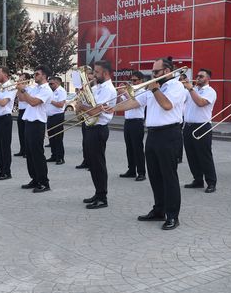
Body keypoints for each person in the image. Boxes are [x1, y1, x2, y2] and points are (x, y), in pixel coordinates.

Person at [109, 58, 186, 230]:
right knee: (155, 176)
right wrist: (111, 108)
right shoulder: (152, 87)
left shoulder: (176, 86)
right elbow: (135, 102)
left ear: (167, 71)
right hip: (152, 134)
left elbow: (166, 105)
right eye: (152, 72)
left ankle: (173, 216)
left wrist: (155, 89)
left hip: (169, 134)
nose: (153, 75)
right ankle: (159, 210)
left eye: (156, 72)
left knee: (169, 177)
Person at [79, 60, 117, 209]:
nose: (93, 75)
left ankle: (102, 197)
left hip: (99, 129)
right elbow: (89, 104)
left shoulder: (109, 89)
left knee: (98, 164)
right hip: (90, 127)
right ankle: (98, 192)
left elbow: (96, 111)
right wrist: (82, 96)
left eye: (96, 72)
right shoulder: (97, 87)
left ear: (105, 73)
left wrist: (82, 106)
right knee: (93, 164)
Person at [18, 65, 54, 193]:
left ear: (44, 76)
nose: (35, 76)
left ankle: (44, 182)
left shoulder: (46, 90)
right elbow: (23, 99)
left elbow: (33, 102)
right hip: (29, 121)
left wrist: (23, 91)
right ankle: (35, 179)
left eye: (37, 74)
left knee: (38, 154)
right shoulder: (35, 88)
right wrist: (19, 88)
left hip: (38, 124)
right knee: (30, 153)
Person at [182, 68, 218, 193]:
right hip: (188, 126)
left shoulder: (210, 91)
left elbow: (201, 103)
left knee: (204, 156)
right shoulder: (191, 90)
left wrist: (190, 88)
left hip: (202, 127)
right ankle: (197, 180)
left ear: (208, 79)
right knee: (191, 155)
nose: (198, 78)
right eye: (197, 76)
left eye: (201, 76)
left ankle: (211, 182)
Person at [119, 71, 146, 181]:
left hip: (137, 122)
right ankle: (131, 170)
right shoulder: (130, 91)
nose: (132, 82)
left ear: (140, 81)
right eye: (131, 80)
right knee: (129, 148)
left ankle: (141, 172)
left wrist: (125, 93)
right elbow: (122, 104)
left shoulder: (143, 92)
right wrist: (120, 93)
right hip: (128, 122)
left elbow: (134, 104)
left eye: (135, 80)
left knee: (137, 148)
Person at [75, 68, 96, 170]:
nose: (88, 77)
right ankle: (86, 160)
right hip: (85, 117)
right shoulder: (84, 88)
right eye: (86, 75)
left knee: (92, 143)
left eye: (90, 74)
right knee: (85, 142)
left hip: (94, 118)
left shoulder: (96, 88)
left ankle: (93, 162)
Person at [46, 76, 67, 165]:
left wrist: (51, 100)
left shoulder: (61, 91)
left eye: (51, 83)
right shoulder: (51, 91)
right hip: (50, 117)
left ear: (57, 83)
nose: (50, 85)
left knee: (58, 138)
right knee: (51, 137)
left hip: (58, 116)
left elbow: (61, 105)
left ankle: (60, 157)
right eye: (49, 83)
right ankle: (54, 155)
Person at [14, 73, 31, 158]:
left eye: (22, 79)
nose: (20, 80)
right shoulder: (20, 88)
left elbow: (22, 98)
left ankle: (27, 151)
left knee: (26, 133)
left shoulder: (29, 88)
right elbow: (17, 100)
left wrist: (19, 89)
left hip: (26, 111)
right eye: (20, 78)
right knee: (21, 132)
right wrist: (18, 89)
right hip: (20, 111)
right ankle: (22, 150)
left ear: (27, 79)